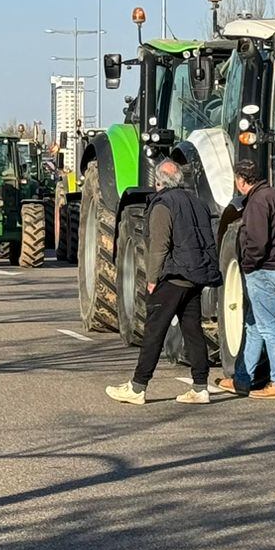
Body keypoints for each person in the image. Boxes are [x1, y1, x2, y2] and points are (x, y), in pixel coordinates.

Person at [105, 144, 222, 407]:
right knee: (193, 331)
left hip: (172, 276)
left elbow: (159, 246)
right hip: (195, 276)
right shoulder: (198, 202)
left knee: (153, 332)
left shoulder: (162, 205)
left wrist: (152, 279)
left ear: (158, 181)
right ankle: (200, 386)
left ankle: (137, 387)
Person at [229, 155, 275, 398]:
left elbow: (257, 241)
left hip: (262, 271)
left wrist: (248, 265)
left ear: (241, 180)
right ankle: (242, 378)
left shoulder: (256, 202)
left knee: (269, 327)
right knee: (253, 325)